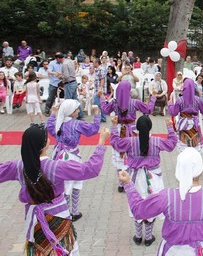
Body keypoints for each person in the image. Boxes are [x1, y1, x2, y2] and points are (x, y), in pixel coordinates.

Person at [119, 147, 203, 255]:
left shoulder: (166, 197)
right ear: (200, 170)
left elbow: (138, 211)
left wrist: (129, 184)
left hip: (173, 252)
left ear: (178, 170)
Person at [0, 125, 109, 256]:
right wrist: (101, 141)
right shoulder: (57, 167)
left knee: (40, 251)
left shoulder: (17, 166)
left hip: (35, 222)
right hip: (59, 217)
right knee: (65, 250)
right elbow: (91, 169)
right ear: (44, 145)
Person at [110, 115, 178, 247]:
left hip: (134, 179)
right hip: (153, 179)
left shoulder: (130, 141)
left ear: (137, 129)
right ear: (150, 127)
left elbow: (116, 143)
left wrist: (114, 126)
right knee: (152, 205)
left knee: (136, 203)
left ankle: (138, 236)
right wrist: (170, 126)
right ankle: (148, 237)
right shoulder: (157, 142)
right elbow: (171, 144)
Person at [47, 100, 101, 221]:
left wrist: (53, 113)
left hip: (59, 156)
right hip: (73, 156)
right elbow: (94, 129)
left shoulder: (58, 123)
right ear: (71, 112)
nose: (78, 111)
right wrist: (96, 114)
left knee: (64, 184)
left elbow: (49, 126)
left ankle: (64, 212)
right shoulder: (77, 124)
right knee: (76, 182)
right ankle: (74, 212)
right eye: (76, 109)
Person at [100, 81, 157, 192]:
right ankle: (130, 181)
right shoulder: (134, 102)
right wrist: (153, 97)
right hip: (132, 130)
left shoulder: (114, 103)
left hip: (118, 130)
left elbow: (105, 110)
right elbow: (148, 109)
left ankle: (121, 183)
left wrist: (102, 97)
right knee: (131, 154)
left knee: (119, 155)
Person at [168, 78, 203, 152]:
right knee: (195, 147)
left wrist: (170, 104)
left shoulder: (180, 100)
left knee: (183, 147)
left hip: (183, 125)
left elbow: (173, 112)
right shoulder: (198, 99)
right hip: (195, 125)